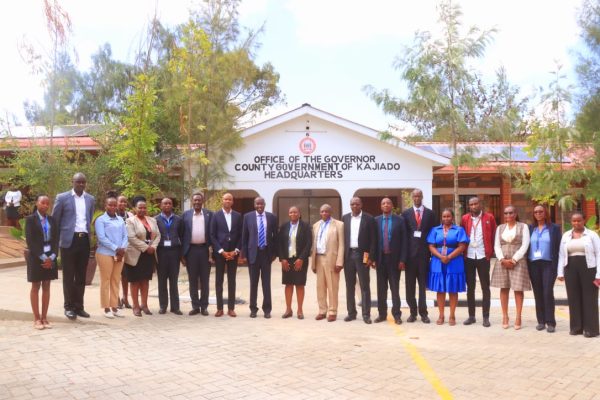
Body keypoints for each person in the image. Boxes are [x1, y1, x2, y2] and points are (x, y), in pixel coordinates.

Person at [52, 172, 95, 320]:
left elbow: (89, 217)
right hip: (68, 242)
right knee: (69, 276)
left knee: (81, 276)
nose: (81, 184)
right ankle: (69, 307)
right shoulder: (62, 198)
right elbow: (55, 221)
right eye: (78, 182)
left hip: (84, 241)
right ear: (72, 182)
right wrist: (56, 242)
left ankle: (79, 307)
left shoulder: (90, 199)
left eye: (83, 182)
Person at [557, 212, 600, 338]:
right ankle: (576, 327)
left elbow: (599, 253)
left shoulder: (592, 235)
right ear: (571, 222)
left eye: (579, 220)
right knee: (573, 297)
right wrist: (560, 272)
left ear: (584, 220)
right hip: (570, 268)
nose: (576, 223)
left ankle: (591, 329)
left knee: (589, 298)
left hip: (588, 268)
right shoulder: (566, 235)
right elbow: (561, 255)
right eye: (574, 221)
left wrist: (598, 274)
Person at [491, 205, 531, 330]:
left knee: (518, 289)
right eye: (506, 213)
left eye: (511, 213)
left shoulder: (523, 227)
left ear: (515, 213)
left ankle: (518, 317)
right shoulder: (500, 228)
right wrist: (502, 259)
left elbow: (525, 245)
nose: (508, 215)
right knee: (504, 288)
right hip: (502, 261)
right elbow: (497, 245)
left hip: (518, 261)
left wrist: (514, 260)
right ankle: (505, 316)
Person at [427, 208, 469, 326]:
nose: (446, 218)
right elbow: (431, 246)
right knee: (440, 289)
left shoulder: (459, 230)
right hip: (438, 261)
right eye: (444, 216)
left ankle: (452, 315)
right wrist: (441, 256)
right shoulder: (435, 230)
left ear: (452, 217)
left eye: (448, 216)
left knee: (452, 288)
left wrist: (449, 257)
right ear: (441, 218)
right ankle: (441, 315)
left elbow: (462, 246)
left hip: (454, 262)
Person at [460, 197, 497, 327]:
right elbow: (462, 235)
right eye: (471, 204)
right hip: (469, 256)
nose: (474, 206)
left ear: (480, 204)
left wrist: (491, 252)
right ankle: (471, 316)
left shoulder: (489, 218)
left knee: (485, 287)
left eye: (476, 204)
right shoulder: (465, 218)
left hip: (483, 256)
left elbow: (494, 235)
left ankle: (486, 317)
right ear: (469, 206)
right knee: (470, 288)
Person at [402, 189, 436, 323]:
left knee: (422, 287)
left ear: (422, 197)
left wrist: (433, 253)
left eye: (419, 196)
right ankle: (412, 312)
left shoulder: (430, 214)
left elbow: (433, 233)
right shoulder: (406, 214)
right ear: (412, 197)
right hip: (410, 257)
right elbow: (404, 236)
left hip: (424, 256)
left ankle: (424, 313)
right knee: (410, 287)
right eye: (415, 196)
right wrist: (403, 258)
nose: (417, 198)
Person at [25, 195, 59, 330]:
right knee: (36, 286)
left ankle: (44, 318)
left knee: (47, 285)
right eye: (42, 202)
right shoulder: (30, 220)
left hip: (50, 256)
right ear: (37, 203)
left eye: (47, 203)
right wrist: (44, 258)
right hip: (36, 257)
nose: (45, 205)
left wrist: (53, 256)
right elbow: (30, 241)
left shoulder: (52, 220)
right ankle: (36, 319)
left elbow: (56, 239)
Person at [342, 197, 377, 324]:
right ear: (350, 205)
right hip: (348, 255)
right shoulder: (345, 218)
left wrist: (371, 258)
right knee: (349, 286)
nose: (355, 206)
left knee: (364, 285)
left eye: (357, 204)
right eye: (352, 204)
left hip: (363, 256)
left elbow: (374, 239)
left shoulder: (369, 218)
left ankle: (366, 314)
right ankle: (351, 313)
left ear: (361, 204)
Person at [241, 197, 277, 318]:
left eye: (261, 204)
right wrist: (244, 255)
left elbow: (275, 236)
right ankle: (253, 309)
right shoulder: (247, 217)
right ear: (254, 205)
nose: (260, 206)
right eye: (257, 204)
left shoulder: (271, 217)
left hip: (266, 254)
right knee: (253, 283)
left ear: (264, 204)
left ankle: (267, 310)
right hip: (253, 254)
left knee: (266, 283)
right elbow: (244, 237)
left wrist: (274, 254)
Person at [124, 198, 160, 317]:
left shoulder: (152, 220)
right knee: (135, 281)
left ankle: (144, 305)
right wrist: (146, 247)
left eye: (144, 207)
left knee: (145, 280)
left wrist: (153, 247)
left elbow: (158, 235)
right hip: (135, 255)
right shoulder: (130, 221)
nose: (142, 209)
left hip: (149, 255)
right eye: (140, 207)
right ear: (135, 208)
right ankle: (135, 306)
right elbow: (131, 238)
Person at [528, 204, 561, 333]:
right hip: (534, 264)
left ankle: (551, 322)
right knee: (538, 293)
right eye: (536, 212)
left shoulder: (554, 228)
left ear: (545, 213)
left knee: (547, 292)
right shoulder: (531, 228)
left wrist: (560, 268)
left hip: (549, 264)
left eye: (541, 211)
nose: (538, 214)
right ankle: (541, 321)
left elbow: (559, 248)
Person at [94, 194, 128, 319]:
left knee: (116, 280)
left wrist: (122, 249)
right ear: (105, 206)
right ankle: (106, 308)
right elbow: (102, 238)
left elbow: (125, 236)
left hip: (119, 254)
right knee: (106, 280)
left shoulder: (120, 220)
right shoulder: (101, 220)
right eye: (110, 205)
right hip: (105, 253)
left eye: (114, 205)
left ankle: (114, 307)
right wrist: (116, 248)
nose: (113, 207)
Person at [374, 197, 407, 325]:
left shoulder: (400, 220)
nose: (386, 205)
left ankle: (397, 315)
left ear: (392, 206)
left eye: (388, 203)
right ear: (380, 206)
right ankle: (382, 314)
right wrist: (372, 259)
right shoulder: (376, 220)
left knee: (395, 289)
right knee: (381, 290)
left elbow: (404, 241)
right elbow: (373, 241)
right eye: (383, 203)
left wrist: (402, 259)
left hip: (395, 260)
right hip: (380, 260)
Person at [210, 193, 242, 317]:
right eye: (225, 199)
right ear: (222, 201)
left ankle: (231, 308)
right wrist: (221, 251)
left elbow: (241, 235)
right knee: (219, 281)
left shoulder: (238, 216)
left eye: (229, 199)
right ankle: (219, 308)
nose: (227, 201)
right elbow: (212, 235)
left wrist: (236, 251)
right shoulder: (216, 215)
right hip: (220, 253)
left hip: (233, 253)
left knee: (232, 281)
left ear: (232, 201)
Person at [277, 206, 312, 319]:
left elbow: (308, 244)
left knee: (299, 284)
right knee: (288, 284)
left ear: (299, 214)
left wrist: (301, 258)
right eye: (291, 212)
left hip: (300, 260)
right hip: (287, 260)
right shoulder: (284, 226)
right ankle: (288, 310)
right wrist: (282, 259)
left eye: (295, 212)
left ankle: (300, 310)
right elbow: (279, 243)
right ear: (289, 214)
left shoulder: (305, 226)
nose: (293, 214)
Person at [311, 204, 344, 322]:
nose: (324, 213)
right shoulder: (316, 225)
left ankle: (332, 311)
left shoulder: (339, 225)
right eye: (322, 211)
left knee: (332, 286)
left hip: (332, 259)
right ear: (320, 213)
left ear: (331, 212)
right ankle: (322, 310)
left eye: (326, 211)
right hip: (318, 258)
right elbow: (313, 244)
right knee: (320, 287)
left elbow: (342, 245)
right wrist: (313, 263)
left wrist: (339, 262)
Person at [182, 193, 213, 316]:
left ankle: (204, 307)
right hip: (191, 251)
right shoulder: (185, 215)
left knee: (205, 280)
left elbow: (212, 233)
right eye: (195, 200)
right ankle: (195, 306)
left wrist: (213, 253)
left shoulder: (209, 214)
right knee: (192, 279)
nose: (197, 202)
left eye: (199, 200)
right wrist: (182, 255)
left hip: (205, 250)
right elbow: (182, 234)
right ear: (191, 201)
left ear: (202, 201)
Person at [155, 197, 184, 315]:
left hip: (174, 252)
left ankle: (175, 307)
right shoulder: (155, 220)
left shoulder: (178, 219)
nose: (167, 205)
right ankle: (163, 306)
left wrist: (181, 255)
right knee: (162, 281)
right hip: (161, 252)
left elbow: (182, 235)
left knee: (173, 281)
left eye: (169, 203)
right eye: (165, 203)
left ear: (172, 206)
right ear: (161, 206)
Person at [116, 195, 134, 309]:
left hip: (127, 249)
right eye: (120, 202)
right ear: (116, 202)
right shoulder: (113, 215)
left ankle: (125, 298)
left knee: (125, 275)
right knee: (116, 275)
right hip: (116, 249)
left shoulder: (130, 215)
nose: (123, 204)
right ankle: (116, 298)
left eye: (125, 202)